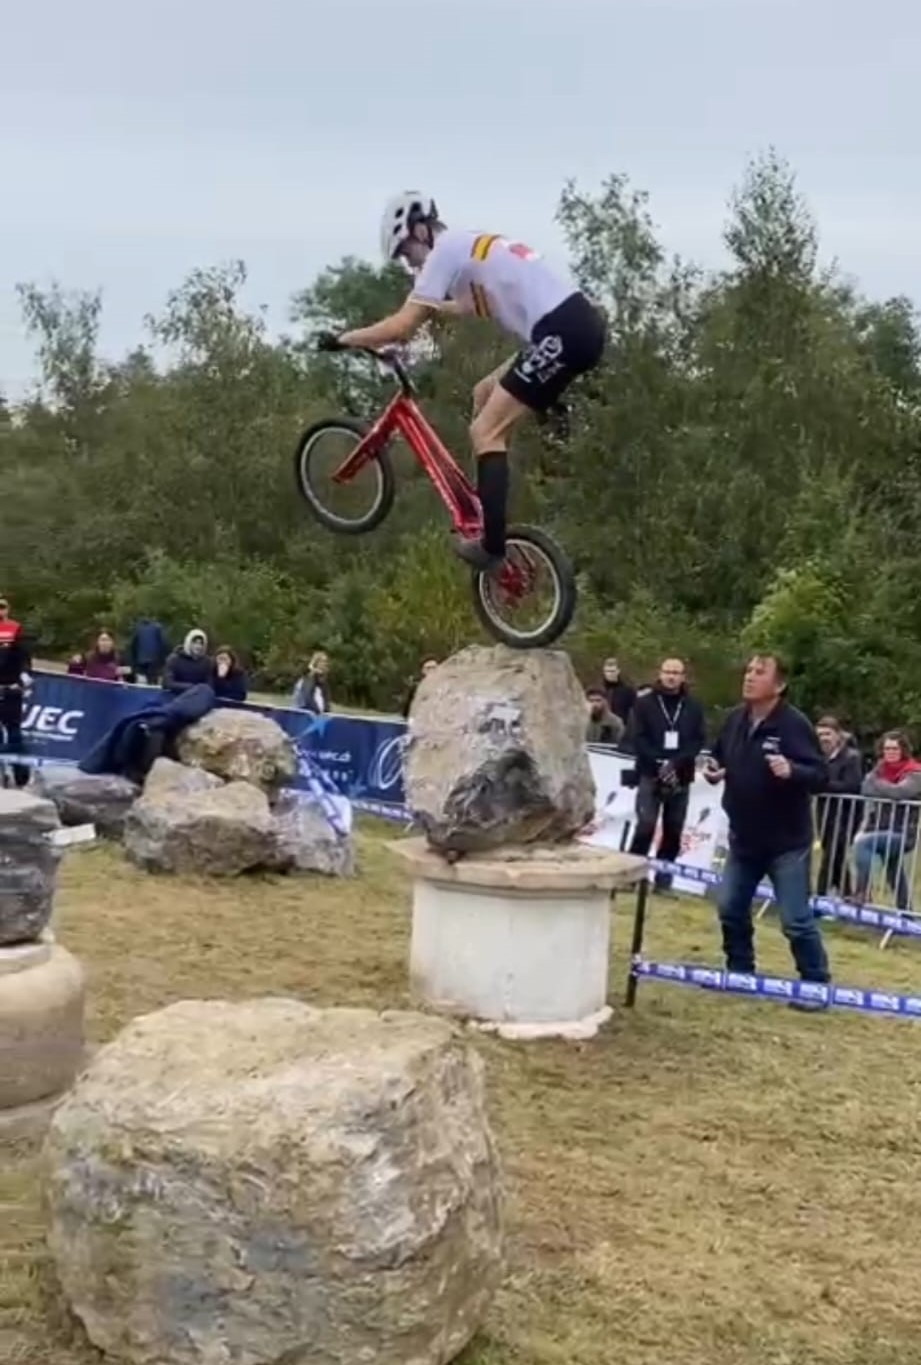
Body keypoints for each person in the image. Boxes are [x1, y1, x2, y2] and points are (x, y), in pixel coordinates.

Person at [321, 192, 607, 570]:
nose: (409, 265)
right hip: (571, 327)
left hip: (562, 333)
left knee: (485, 432)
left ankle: (491, 544)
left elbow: (403, 325)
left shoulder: (444, 252)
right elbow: (471, 307)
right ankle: (492, 500)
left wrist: (344, 339)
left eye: (406, 253)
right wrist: (423, 326)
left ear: (421, 230)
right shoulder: (469, 247)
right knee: (484, 393)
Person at [704, 654, 831, 1008]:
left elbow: (821, 776)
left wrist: (793, 770)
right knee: (730, 907)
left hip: (787, 842)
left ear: (779, 686)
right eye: (748, 670)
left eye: (760, 673)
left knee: (795, 920)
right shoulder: (734, 719)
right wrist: (713, 770)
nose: (749, 677)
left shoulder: (794, 725)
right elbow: (717, 758)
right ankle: (741, 971)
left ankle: (816, 985)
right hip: (744, 838)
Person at [627, 658, 706, 893]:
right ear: (660, 674)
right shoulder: (644, 704)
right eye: (667, 672)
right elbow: (637, 736)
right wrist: (658, 762)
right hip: (650, 771)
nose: (671, 677)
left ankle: (664, 881)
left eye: (676, 673)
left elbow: (698, 740)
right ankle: (632, 876)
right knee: (646, 825)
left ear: (683, 677)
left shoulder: (693, 706)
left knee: (673, 829)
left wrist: (675, 763)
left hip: (680, 773)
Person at [852, 731, 921, 912]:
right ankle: (906, 911)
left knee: (864, 844)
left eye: (894, 748)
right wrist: (883, 786)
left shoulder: (915, 772)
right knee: (894, 870)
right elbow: (865, 789)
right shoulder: (880, 769)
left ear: (903, 750)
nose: (890, 752)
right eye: (887, 748)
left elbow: (900, 793)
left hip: (903, 832)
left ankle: (862, 892)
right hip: (880, 827)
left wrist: (878, 783)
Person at [814, 715, 862, 898]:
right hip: (825, 814)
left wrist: (822, 784)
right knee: (835, 856)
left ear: (838, 735)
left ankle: (819, 896)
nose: (824, 738)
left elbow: (852, 785)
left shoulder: (851, 757)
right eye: (820, 735)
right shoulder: (820, 758)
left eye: (827, 734)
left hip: (846, 815)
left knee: (833, 856)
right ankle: (845, 895)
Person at [0, 596, 32, 788]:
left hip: (11, 688)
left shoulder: (15, 629)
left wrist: (22, 680)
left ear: (8, 610)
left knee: (14, 734)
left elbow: (24, 658)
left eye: (2, 607)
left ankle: (21, 775)